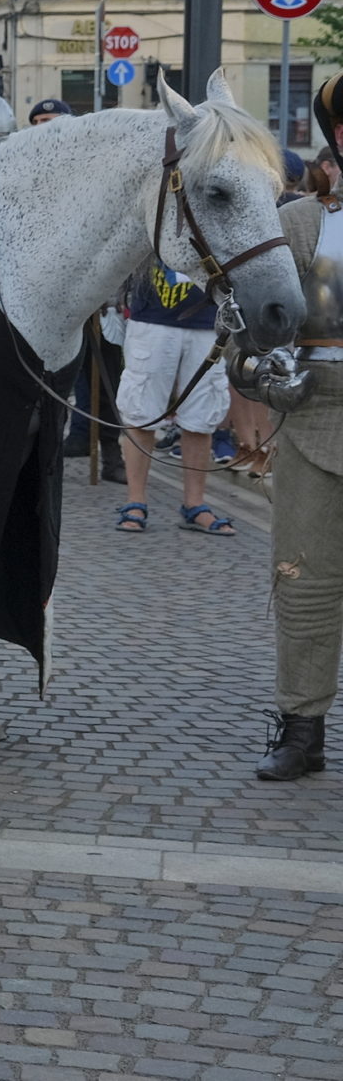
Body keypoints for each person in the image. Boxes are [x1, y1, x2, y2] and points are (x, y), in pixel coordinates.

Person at [256, 77, 343, 781]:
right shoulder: (299, 225)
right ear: (339, 137)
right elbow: (246, 334)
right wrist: (263, 370)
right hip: (316, 417)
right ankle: (301, 729)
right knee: (305, 582)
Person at [113, 259, 235, 535]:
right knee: (142, 412)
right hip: (152, 318)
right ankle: (135, 501)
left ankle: (195, 504)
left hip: (208, 319)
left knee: (202, 416)